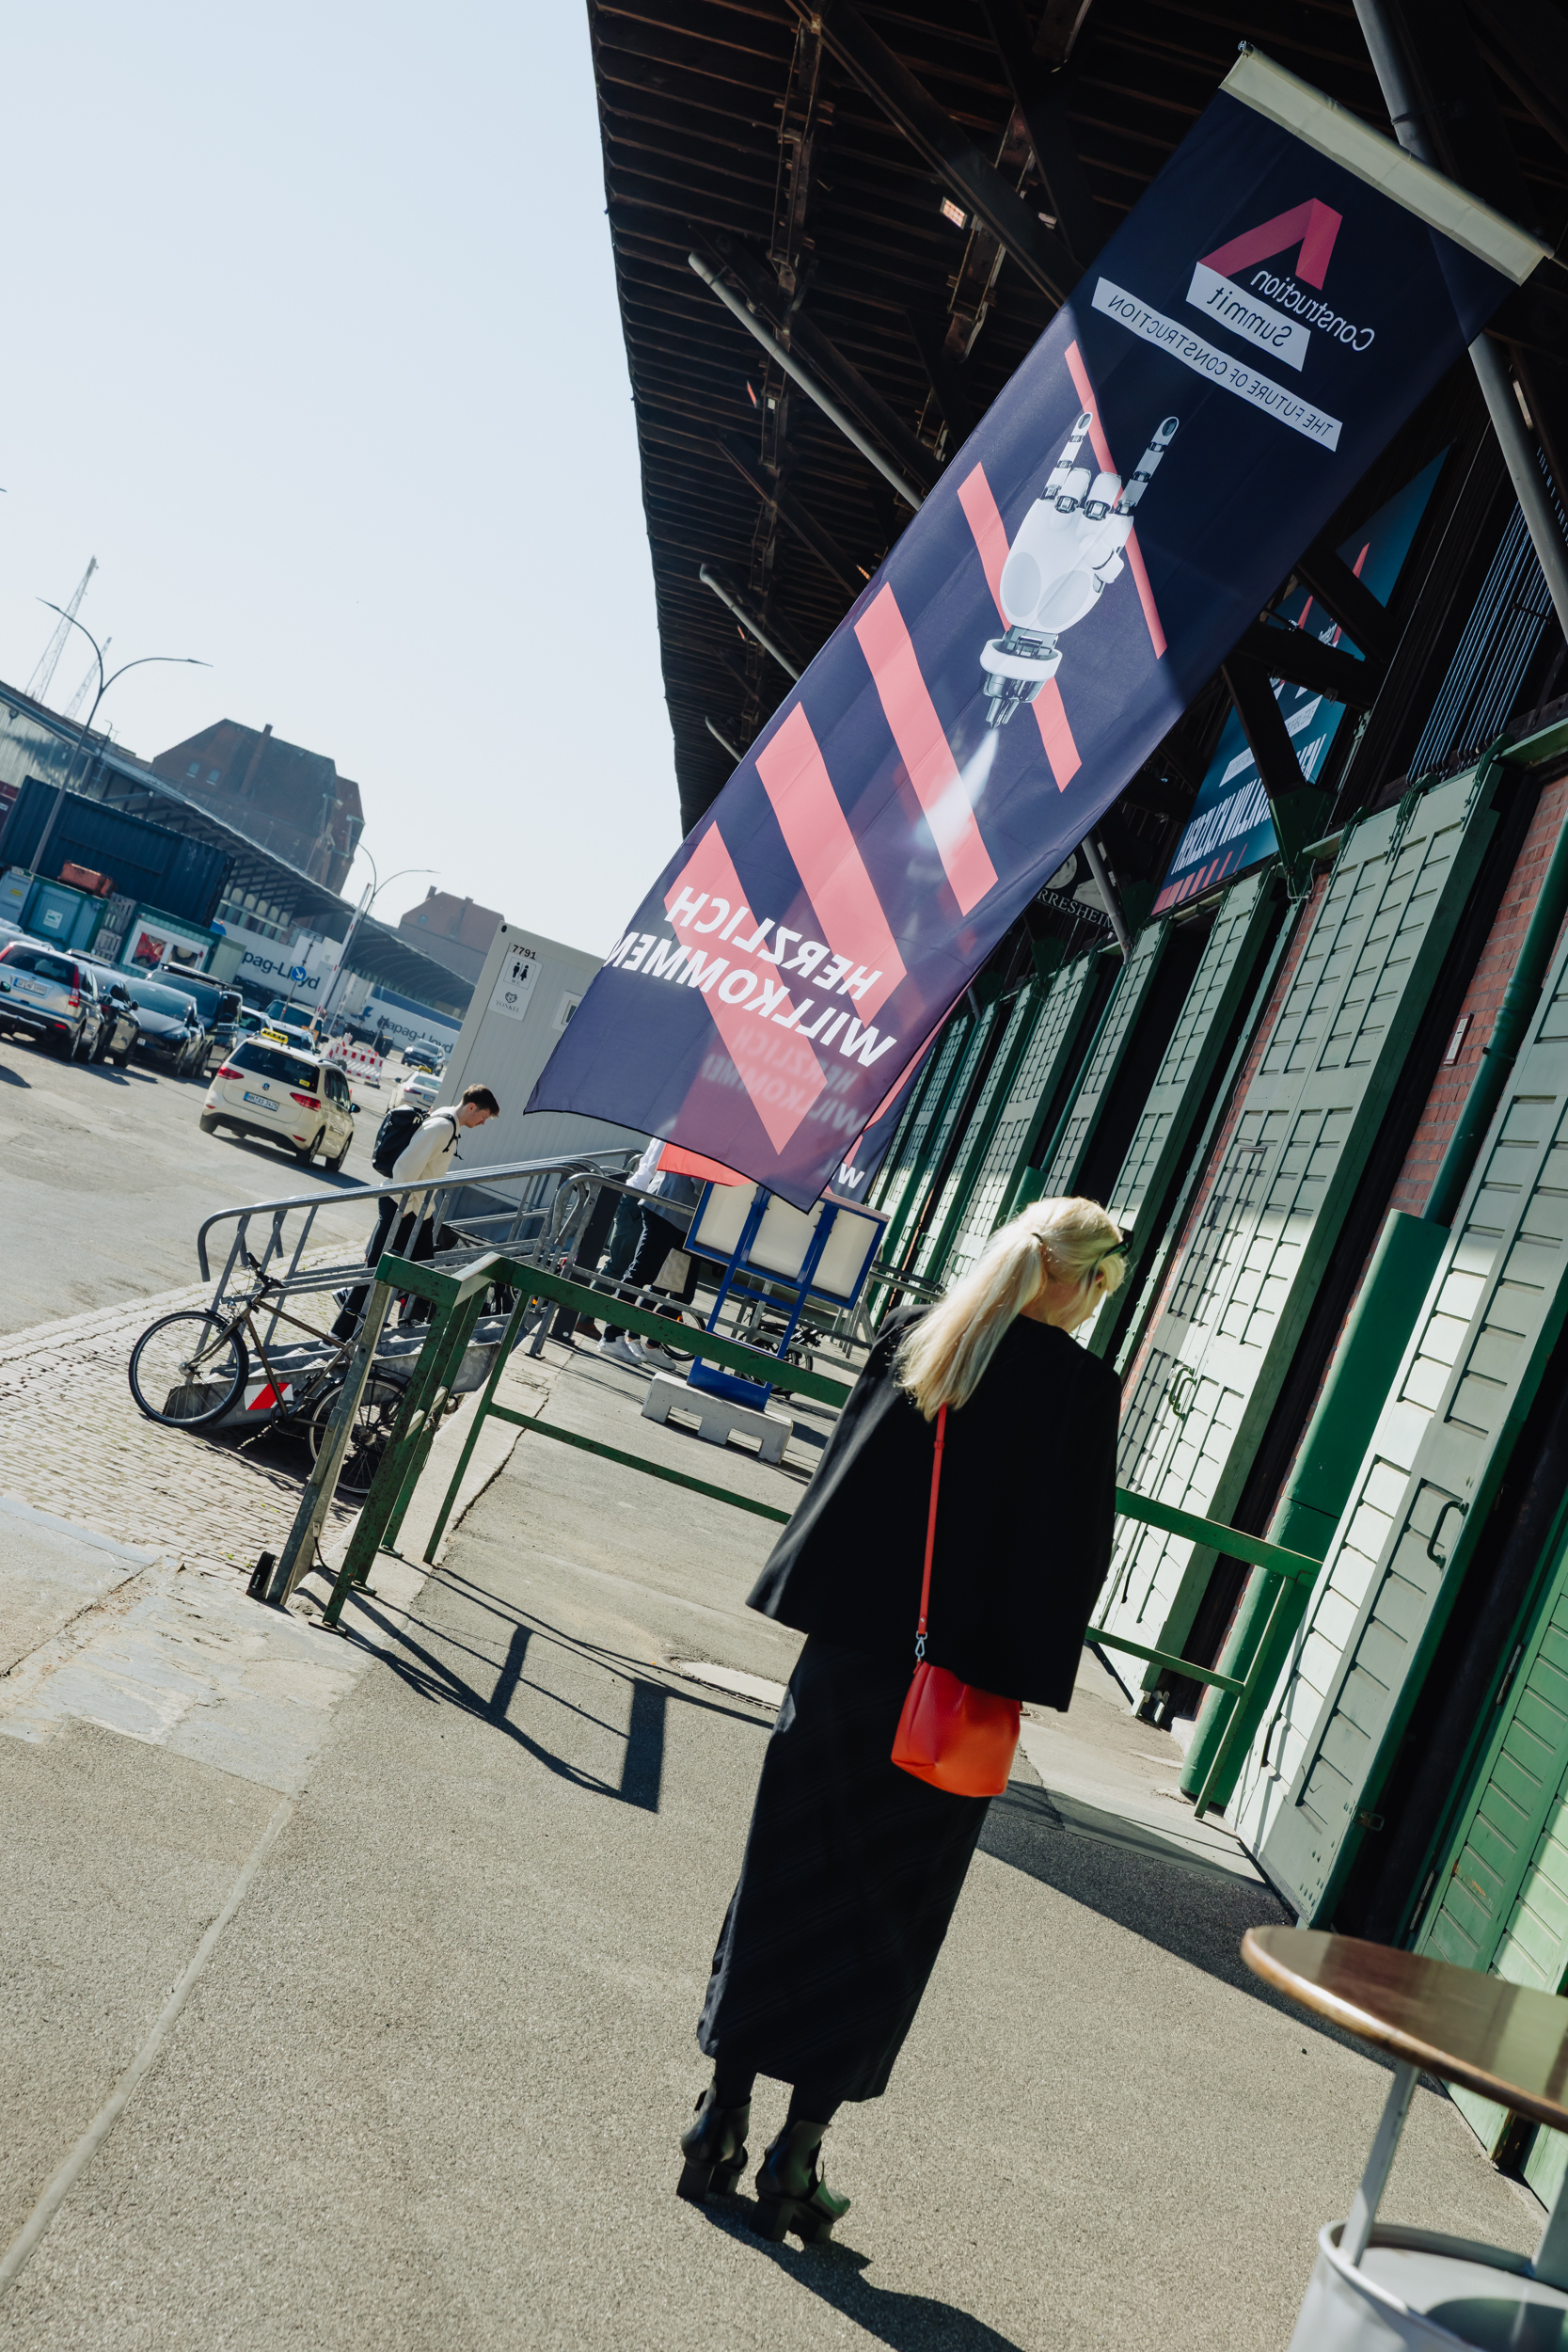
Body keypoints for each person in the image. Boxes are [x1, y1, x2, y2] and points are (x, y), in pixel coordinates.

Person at [675, 1196, 1126, 2242]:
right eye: (1102, 1286)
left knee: (782, 1880)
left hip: (842, 1661)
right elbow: (1070, 1561)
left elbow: (843, 1481)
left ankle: (718, 2119)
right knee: (884, 1915)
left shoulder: (917, 1339)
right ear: (1079, 1282)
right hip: (954, 1697)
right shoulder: (1076, 1389)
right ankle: (797, 2153)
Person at [330, 1083, 499, 1339]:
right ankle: (341, 1331)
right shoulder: (442, 1127)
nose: (483, 1123)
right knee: (381, 1268)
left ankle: (408, 1320)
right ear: (472, 1107)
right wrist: (405, 1207)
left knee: (420, 1270)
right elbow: (405, 1167)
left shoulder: (449, 1124)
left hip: (420, 1210)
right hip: (404, 1206)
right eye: (483, 1117)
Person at [596, 1160, 702, 1369]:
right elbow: (699, 1180)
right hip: (670, 1207)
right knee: (641, 1273)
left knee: (681, 1291)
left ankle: (651, 1345)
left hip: (684, 1214)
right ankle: (612, 1336)